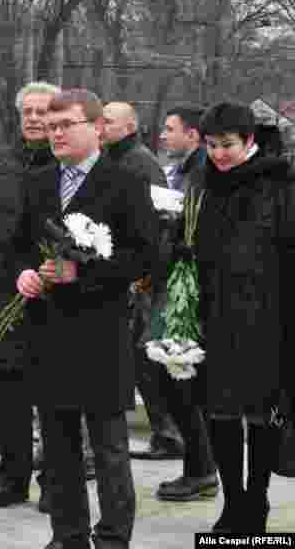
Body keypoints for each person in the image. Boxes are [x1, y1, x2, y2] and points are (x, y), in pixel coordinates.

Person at [15, 89, 157, 549]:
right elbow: (17, 245)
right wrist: (23, 275)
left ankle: (113, 538)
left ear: (96, 127)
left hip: (101, 331)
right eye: (51, 127)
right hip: (48, 332)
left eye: (65, 125)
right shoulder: (37, 181)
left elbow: (144, 256)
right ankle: (68, 535)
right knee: (59, 447)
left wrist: (83, 271)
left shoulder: (125, 181)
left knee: (109, 447)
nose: (54, 133)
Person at [193, 102, 293, 533]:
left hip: (266, 318)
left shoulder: (280, 184)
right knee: (220, 414)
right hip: (214, 316)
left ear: (249, 141)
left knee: (261, 414)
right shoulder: (203, 185)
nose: (219, 154)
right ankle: (233, 501)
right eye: (211, 145)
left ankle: (258, 500)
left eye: (228, 145)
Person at [0, 82, 59, 510]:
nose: (35, 119)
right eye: (29, 112)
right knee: (10, 390)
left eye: (43, 111)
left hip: (53, 291)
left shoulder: (68, 163)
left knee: (56, 391)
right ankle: (12, 478)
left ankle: (56, 481)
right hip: (3, 291)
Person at [101, 102, 185, 463]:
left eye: (108, 121)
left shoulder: (138, 163)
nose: (101, 126)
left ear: (129, 126)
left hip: (144, 279)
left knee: (146, 355)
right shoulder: (122, 159)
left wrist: (142, 275)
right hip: (136, 276)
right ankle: (167, 432)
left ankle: (169, 433)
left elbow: (152, 224)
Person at [150, 105, 218, 503]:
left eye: (170, 129)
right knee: (176, 381)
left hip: (186, 291)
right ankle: (199, 469)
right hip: (178, 284)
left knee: (180, 382)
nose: (162, 134)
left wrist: (167, 224)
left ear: (193, 135)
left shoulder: (201, 172)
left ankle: (202, 471)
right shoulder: (188, 169)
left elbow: (195, 232)